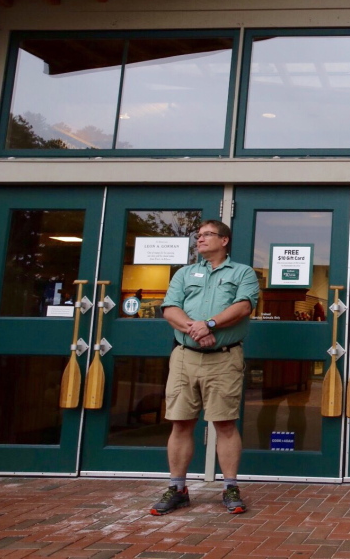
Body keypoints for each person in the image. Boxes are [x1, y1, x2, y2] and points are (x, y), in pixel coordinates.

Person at [150, 220, 259, 516]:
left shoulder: (243, 272)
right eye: (198, 236)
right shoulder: (184, 273)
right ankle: (177, 488)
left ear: (224, 240)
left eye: (207, 235)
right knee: (181, 422)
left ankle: (230, 488)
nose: (200, 240)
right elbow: (170, 308)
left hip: (224, 358)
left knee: (224, 423)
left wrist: (210, 324)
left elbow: (243, 307)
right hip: (185, 357)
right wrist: (196, 328)